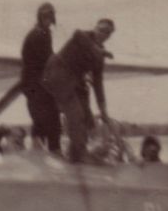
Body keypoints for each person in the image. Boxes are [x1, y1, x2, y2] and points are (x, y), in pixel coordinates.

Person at [42, 18, 114, 163]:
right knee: (76, 113)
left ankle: (75, 154)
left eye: (107, 32)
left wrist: (103, 110)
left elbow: (98, 84)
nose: (102, 34)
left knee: (87, 117)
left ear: (109, 35)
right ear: (95, 28)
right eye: (100, 29)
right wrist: (98, 50)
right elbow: (77, 34)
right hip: (57, 73)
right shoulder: (84, 36)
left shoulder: (100, 57)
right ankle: (81, 154)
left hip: (74, 80)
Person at [20, 3, 62, 152]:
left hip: (37, 85)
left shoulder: (44, 33)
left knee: (45, 122)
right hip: (36, 85)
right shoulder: (38, 34)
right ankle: (48, 152)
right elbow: (46, 60)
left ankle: (45, 151)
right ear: (40, 17)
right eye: (45, 16)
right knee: (47, 122)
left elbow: (49, 58)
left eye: (50, 16)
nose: (48, 19)